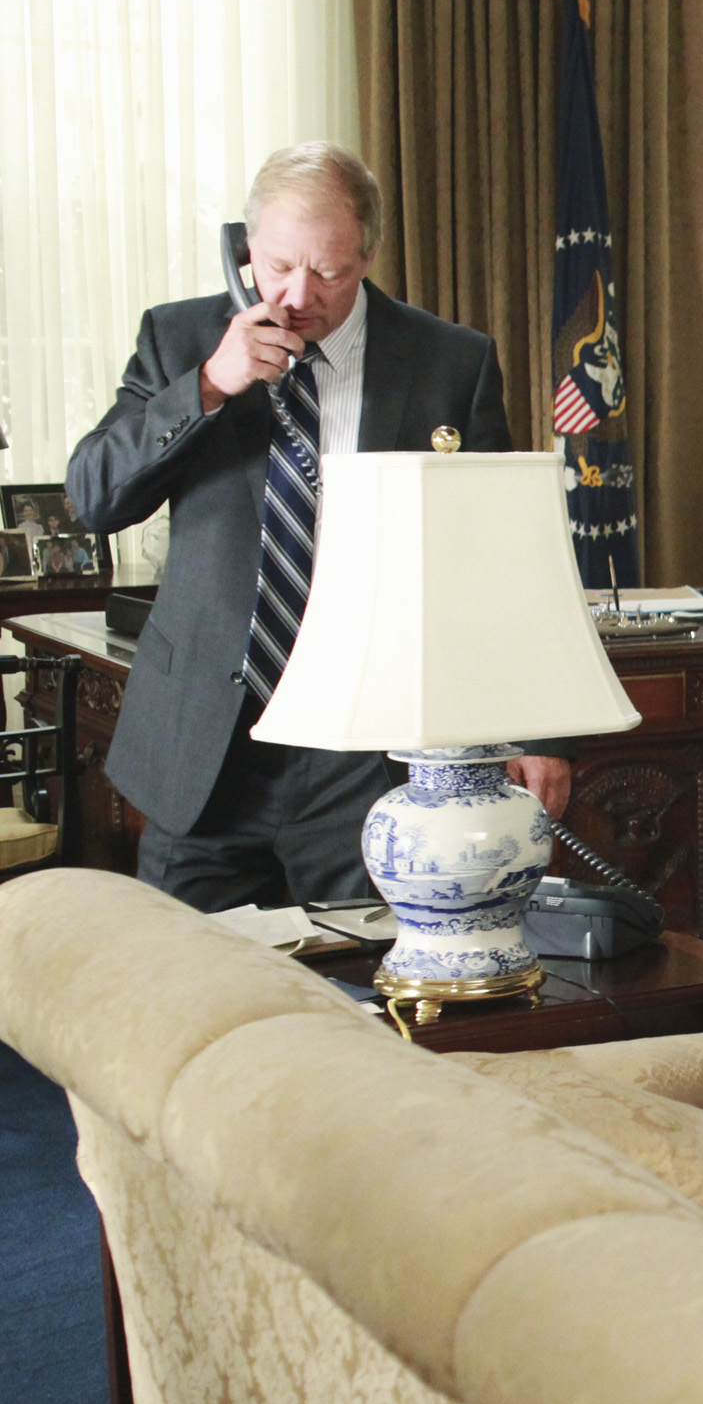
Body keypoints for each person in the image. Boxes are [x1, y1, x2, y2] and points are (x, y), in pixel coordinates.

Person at [66, 141, 566, 910]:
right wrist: (209, 386)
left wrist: (537, 731)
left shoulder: (449, 362)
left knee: (368, 974)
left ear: (367, 255)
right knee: (187, 977)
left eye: (328, 272)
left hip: (368, 753)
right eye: (277, 266)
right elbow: (93, 497)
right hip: (208, 749)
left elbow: (503, 558)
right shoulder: (181, 341)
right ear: (243, 249)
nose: (298, 295)